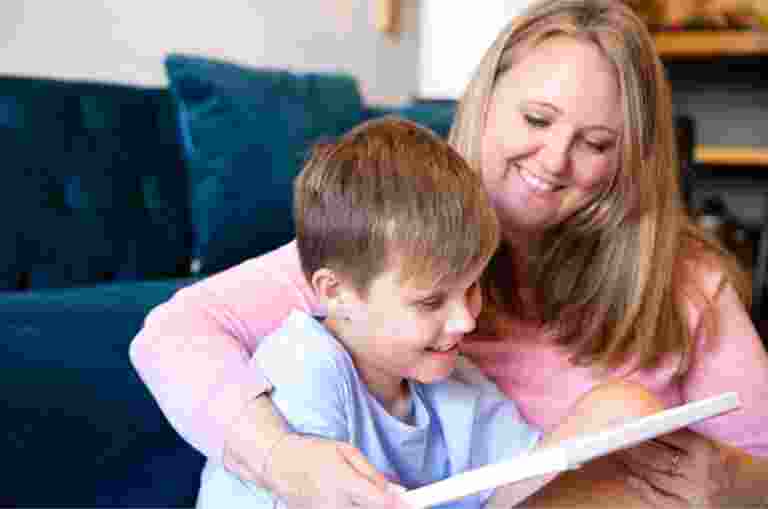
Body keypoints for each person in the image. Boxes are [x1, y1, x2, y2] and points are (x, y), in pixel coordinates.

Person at [130, 0, 768, 507]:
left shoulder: (683, 281)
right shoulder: (390, 233)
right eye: (538, 120)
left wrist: (733, 484)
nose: (554, 160)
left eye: (596, 142)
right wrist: (280, 457)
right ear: (485, 101)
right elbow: (173, 332)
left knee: (622, 410)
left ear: (629, 157)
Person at [195, 116, 664, 509]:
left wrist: (608, 420)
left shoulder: (452, 380)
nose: (465, 321)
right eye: (431, 301)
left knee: (619, 407)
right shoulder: (304, 368)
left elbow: (519, 486)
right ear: (335, 292)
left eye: (472, 287)